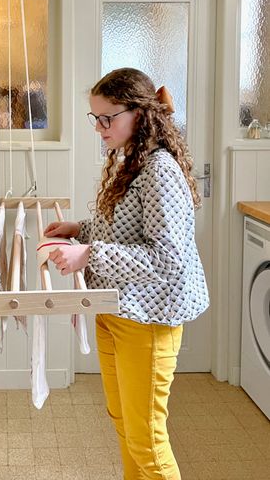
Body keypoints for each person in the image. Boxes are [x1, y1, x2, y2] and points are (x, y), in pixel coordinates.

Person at [44, 67, 209, 480]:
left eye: (107, 118)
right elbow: (125, 227)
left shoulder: (160, 171)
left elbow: (167, 260)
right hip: (115, 310)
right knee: (124, 425)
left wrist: (89, 254)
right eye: (94, 118)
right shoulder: (129, 161)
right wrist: (79, 229)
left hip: (148, 321)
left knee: (147, 443)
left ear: (139, 113)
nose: (99, 128)